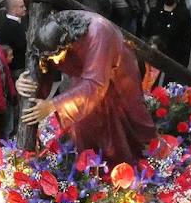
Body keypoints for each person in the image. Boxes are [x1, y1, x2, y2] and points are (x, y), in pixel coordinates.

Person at [19, 11, 158, 167]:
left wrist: (53, 105)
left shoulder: (98, 32)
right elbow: (42, 67)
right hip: (86, 74)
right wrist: (27, 84)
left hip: (117, 70)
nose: (54, 61)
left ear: (68, 42)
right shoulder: (51, 37)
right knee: (84, 124)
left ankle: (143, 160)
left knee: (131, 115)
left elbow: (95, 85)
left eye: (56, 56)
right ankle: (90, 167)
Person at [146, 0, 191, 67]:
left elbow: (186, 41)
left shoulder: (183, 14)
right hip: (155, 59)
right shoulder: (154, 13)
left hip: (175, 59)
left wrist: (184, 64)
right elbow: (146, 33)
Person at [0, 0, 29, 75]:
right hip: (16, 66)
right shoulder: (12, 25)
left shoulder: (8, 21)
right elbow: (23, 46)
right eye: (22, 6)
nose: (25, 9)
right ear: (14, 9)